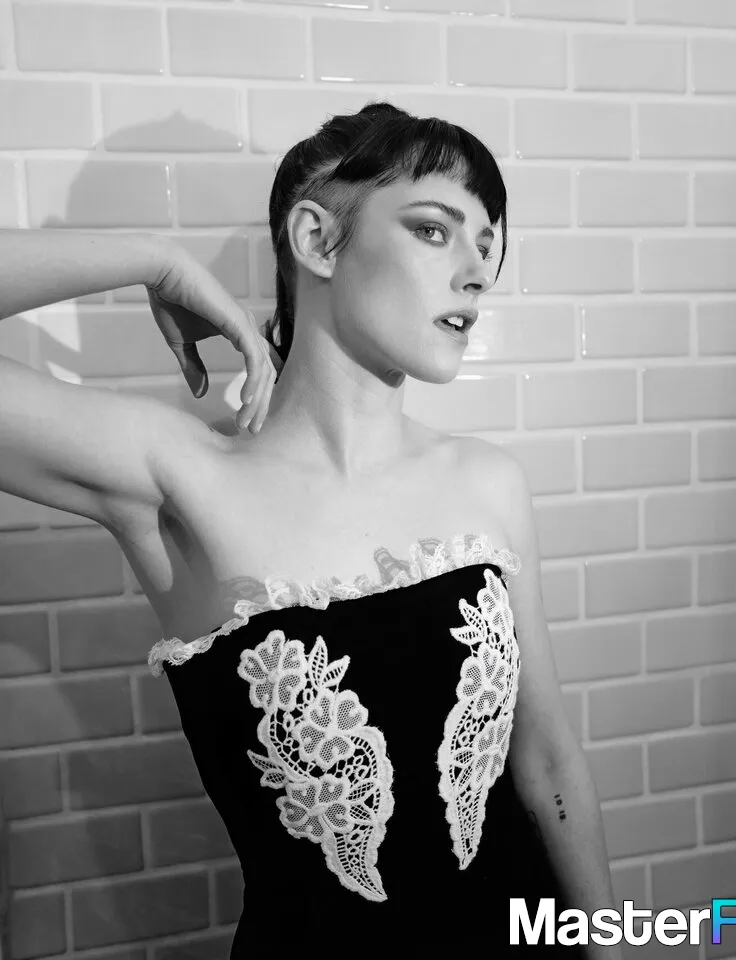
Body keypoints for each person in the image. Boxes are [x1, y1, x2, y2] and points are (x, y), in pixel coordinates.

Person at [0, 102, 621, 956]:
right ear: (318, 241)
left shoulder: (487, 483)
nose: (477, 271)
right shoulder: (186, 479)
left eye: (487, 244)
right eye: (435, 230)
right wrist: (156, 259)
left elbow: (547, 762)